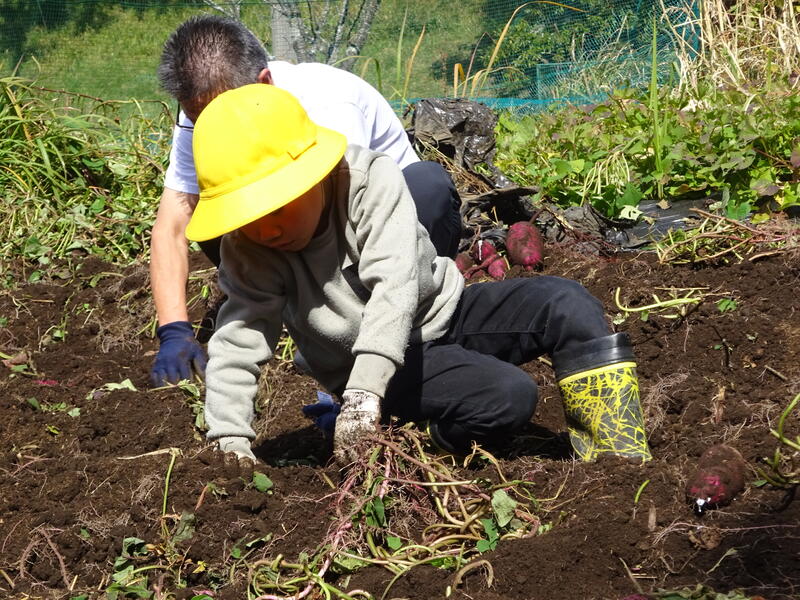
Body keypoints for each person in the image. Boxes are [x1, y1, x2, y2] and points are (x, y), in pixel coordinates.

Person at [185, 83, 652, 466]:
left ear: (314, 174)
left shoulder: (367, 181)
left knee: (566, 304)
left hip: (439, 312)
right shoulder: (251, 246)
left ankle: (616, 460)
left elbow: (395, 286)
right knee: (508, 398)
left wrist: (364, 394)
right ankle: (412, 436)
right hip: (367, 367)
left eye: (275, 206)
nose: (265, 228)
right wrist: (229, 441)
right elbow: (239, 337)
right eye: (248, 215)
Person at [149, 14, 462, 386]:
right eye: (198, 118)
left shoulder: (327, 102)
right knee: (213, 216)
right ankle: (295, 319)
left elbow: (344, 221)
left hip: (386, 234)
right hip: (299, 236)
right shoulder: (203, 119)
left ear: (264, 83)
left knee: (428, 187)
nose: (211, 127)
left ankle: (404, 332)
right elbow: (172, 225)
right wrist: (174, 330)